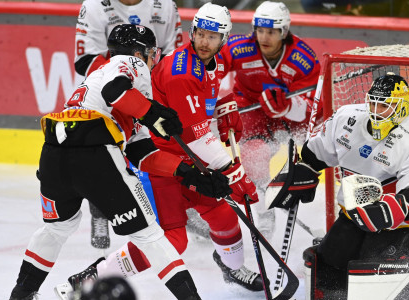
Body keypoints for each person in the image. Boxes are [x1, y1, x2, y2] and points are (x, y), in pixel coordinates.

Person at [62, 3, 264, 293]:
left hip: (192, 160)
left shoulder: (212, 63)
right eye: (200, 34)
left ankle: (232, 269)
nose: (205, 42)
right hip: (162, 164)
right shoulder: (181, 71)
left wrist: (224, 104)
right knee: (174, 240)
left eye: (213, 36)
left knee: (224, 217)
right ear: (192, 33)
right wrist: (234, 173)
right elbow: (195, 135)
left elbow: (209, 89)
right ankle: (96, 276)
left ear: (224, 39)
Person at [9, 24, 219, 300]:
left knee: (57, 228)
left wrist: (186, 172)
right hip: (95, 151)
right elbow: (115, 89)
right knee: (149, 235)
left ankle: (21, 294)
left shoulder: (97, 78)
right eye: (152, 54)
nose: (153, 60)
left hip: (53, 153)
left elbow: (141, 154)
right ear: (139, 52)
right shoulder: (129, 64)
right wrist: (152, 111)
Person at [269, 72, 409, 299]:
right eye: (374, 103)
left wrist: (386, 211)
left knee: (371, 269)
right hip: (356, 214)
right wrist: (305, 170)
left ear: (401, 107)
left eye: (385, 106)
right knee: (328, 263)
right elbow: (317, 153)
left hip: (404, 225)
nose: (376, 111)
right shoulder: (346, 117)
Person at [75, 0, 184, 250]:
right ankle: (101, 210)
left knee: (151, 145)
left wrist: (150, 85)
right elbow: (84, 60)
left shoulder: (165, 5)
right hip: (110, 89)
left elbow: (173, 55)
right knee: (104, 152)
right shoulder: (93, 6)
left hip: (154, 81)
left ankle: (178, 207)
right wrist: (129, 82)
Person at [220, 1, 321, 237]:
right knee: (254, 154)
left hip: (289, 117)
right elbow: (210, 70)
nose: (264, 37)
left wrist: (287, 107)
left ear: (284, 32)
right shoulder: (238, 48)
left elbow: (314, 106)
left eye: (272, 32)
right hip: (251, 108)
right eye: (260, 30)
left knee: (314, 151)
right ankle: (264, 205)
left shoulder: (303, 57)